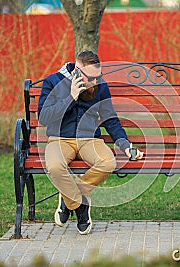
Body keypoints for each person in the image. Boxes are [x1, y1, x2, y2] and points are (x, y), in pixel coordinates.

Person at [38, 50, 143, 235]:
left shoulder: (100, 86)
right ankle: (80, 206)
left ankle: (68, 197)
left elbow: (110, 119)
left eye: (98, 77)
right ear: (77, 72)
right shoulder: (52, 82)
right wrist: (71, 97)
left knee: (108, 162)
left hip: (89, 139)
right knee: (54, 166)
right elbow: (44, 117)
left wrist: (125, 145)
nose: (96, 82)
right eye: (91, 78)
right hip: (60, 139)